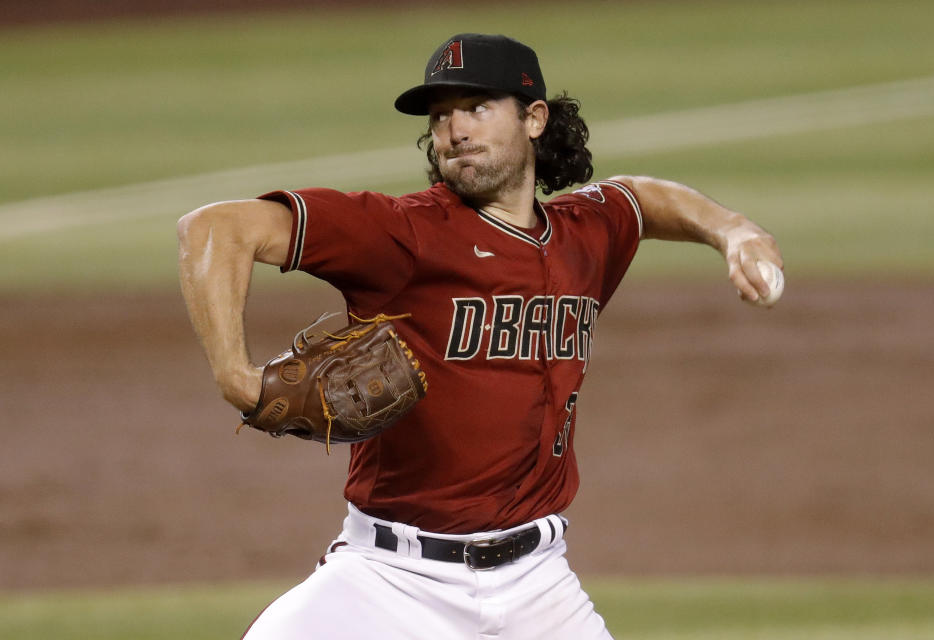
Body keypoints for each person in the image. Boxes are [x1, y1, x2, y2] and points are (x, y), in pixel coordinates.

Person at [178, 33, 783, 640]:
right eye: (441, 117)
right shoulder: (404, 235)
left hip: (540, 586)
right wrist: (237, 377)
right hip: (389, 583)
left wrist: (732, 230)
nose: (455, 130)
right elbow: (214, 228)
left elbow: (641, 200)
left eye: (477, 108)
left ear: (535, 119)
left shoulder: (584, 235)